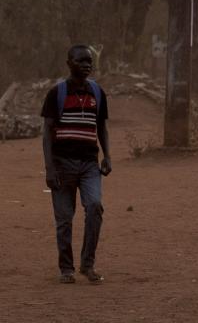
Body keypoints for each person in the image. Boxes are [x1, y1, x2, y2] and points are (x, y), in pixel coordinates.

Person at [41, 44, 111, 283]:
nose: (87, 65)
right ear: (69, 63)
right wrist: (50, 168)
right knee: (64, 219)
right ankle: (66, 269)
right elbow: (47, 132)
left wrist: (107, 156)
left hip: (90, 164)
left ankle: (87, 264)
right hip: (62, 165)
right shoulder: (56, 94)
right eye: (81, 61)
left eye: (89, 61)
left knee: (95, 207)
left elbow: (101, 127)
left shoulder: (97, 93)